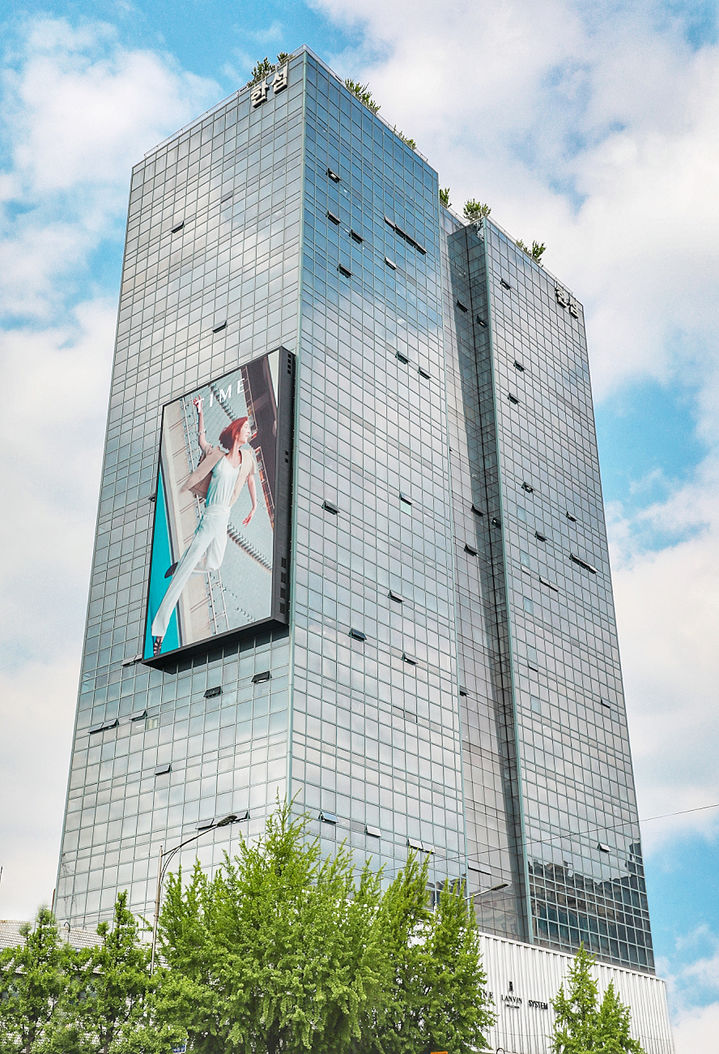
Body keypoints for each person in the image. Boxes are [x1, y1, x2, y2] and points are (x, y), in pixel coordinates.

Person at [151, 396, 257, 655]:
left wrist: (254, 507)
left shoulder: (246, 459)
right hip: (210, 517)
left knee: (213, 564)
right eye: (245, 429)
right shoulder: (217, 456)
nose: (248, 433)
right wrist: (200, 412)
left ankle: (182, 564)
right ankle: (159, 632)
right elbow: (202, 441)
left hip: (224, 518)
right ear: (236, 431)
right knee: (182, 580)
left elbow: (251, 479)